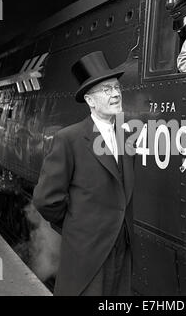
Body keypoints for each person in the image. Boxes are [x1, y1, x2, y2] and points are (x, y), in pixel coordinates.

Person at [32, 51, 135, 296]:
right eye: (106, 90)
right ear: (90, 100)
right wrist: (77, 227)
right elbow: (46, 200)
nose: (115, 93)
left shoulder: (125, 136)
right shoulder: (69, 138)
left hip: (122, 248)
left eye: (117, 87)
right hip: (87, 254)